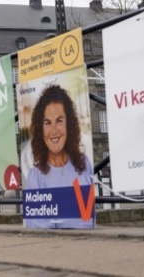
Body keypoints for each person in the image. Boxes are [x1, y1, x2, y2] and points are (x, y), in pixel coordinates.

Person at [25, 84, 94, 229]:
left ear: (69, 125)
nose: (54, 131)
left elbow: (90, 220)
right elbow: (38, 231)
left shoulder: (84, 164)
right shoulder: (36, 177)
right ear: (41, 129)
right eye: (47, 123)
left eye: (59, 121)